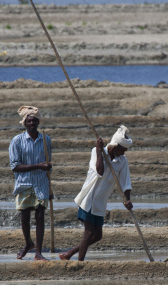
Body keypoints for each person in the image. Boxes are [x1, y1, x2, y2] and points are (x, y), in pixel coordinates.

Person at [60, 125, 133, 262]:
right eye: (122, 149)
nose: (124, 153)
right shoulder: (96, 152)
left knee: (97, 235)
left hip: (100, 202)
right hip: (88, 198)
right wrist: (100, 151)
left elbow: (126, 182)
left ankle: (69, 254)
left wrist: (127, 199)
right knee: (88, 232)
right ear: (115, 146)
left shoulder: (122, 161)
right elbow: (99, 171)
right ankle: (80, 262)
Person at [9, 106, 53, 260]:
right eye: (29, 121)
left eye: (34, 120)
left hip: (41, 184)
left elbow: (48, 165)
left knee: (40, 216)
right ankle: (28, 243)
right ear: (24, 123)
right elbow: (15, 166)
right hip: (24, 184)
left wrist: (50, 188)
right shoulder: (17, 141)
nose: (32, 123)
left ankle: (38, 252)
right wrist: (38, 166)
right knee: (25, 217)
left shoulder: (46, 140)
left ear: (38, 122)